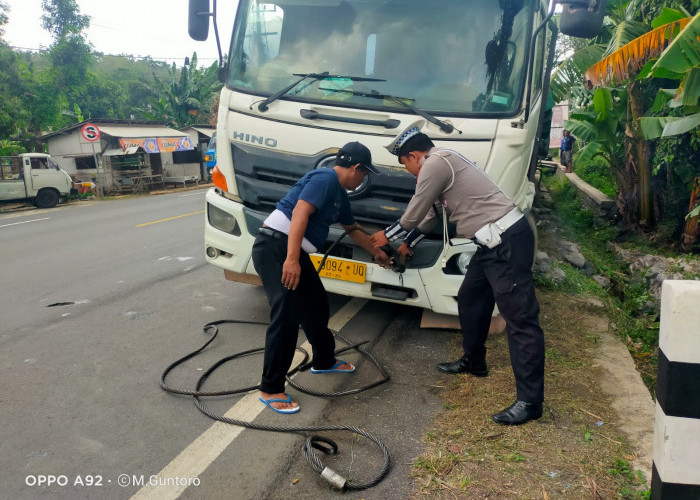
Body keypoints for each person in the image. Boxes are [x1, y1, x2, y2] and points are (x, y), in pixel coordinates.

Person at [370, 122, 545, 425]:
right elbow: (428, 219)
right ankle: (475, 361)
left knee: (520, 320)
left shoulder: (436, 162)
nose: (410, 172)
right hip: (490, 244)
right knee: (470, 299)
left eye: (405, 165)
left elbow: (414, 212)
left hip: (506, 241)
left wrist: (387, 236)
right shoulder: (444, 165)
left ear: (413, 156)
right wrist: (406, 245)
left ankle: (530, 402)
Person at [252, 142, 390, 414]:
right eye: (364, 174)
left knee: (316, 305)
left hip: (292, 250)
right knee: (287, 313)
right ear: (356, 168)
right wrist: (291, 259)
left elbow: (352, 229)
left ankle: (324, 360)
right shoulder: (326, 177)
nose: (363, 180)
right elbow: (301, 212)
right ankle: (271, 387)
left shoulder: (339, 195)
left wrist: (377, 252)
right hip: (276, 248)